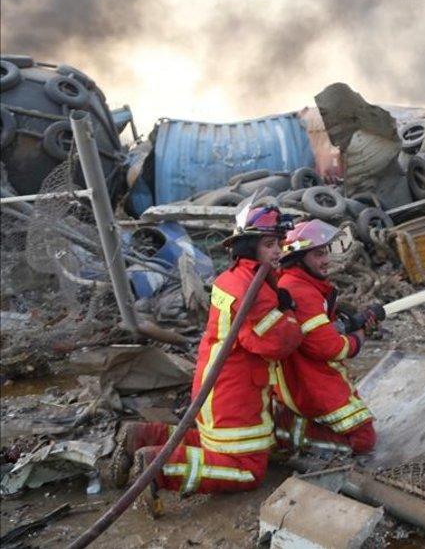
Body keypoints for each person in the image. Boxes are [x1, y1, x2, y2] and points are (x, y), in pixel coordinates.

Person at [108, 203, 302, 515]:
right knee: (248, 468)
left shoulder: (232, 277)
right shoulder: (255, 291)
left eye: (279, 243)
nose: (278, 251)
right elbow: (278, 343)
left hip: (215, 386)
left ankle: (142, 436)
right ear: (249, 246)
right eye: (269, 245)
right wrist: (290, 312)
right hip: (236, 393)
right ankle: (161, 468)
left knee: (216, 445)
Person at [272, 219, 381, 456]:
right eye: (318, 255)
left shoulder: (301, 284)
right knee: (363, 438)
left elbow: (319, 330)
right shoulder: (301, 290)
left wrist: (347, 324)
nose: (326, 261)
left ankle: (289, 429)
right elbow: (328, 347)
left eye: (325, 253)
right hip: (311, 378)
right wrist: (359, 337)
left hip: (303, 377)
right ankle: (296, 439)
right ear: (298, 258)